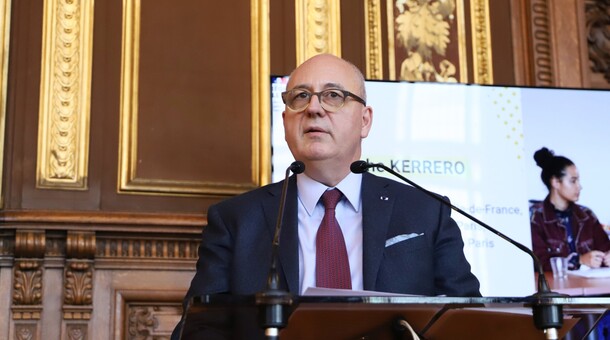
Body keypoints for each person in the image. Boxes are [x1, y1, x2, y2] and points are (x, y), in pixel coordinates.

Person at [172, 53, 480, 338]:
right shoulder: (235, 220)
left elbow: (470, 322)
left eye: (333, 96)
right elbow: (196, 331)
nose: (314, 108)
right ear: (285, 122)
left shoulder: (425, 211)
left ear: (365, 120)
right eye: (300, 97)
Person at [530, 147, 610, 271]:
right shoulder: (535, 217)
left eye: (578, 180)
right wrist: (578, 260)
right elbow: (538, 262)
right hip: (554, 288)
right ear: (556, 182)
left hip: (590, 287)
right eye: (573, 181)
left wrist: (607, 257)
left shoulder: (587, 215)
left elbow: (605, 247)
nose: (579, 186)